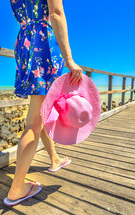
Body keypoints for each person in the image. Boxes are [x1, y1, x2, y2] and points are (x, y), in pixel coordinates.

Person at [5, 0, 83, 204]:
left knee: (39, 113)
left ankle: (54, 158)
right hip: (43, 43)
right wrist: (69, 59)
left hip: (25, 41)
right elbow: (56, 13)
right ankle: (17, 188)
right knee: (34, 122)